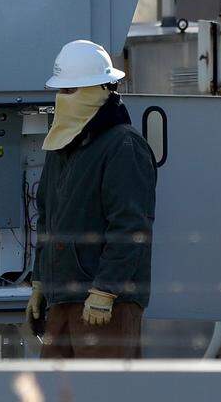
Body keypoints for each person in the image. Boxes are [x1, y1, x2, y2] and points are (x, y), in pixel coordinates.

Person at [25, 39, 157, 359]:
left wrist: (106, 290)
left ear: (98, 91)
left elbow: (130, 226)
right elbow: (47, 218)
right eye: (61, 91)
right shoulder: (63, 146)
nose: (62, 98)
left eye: (70, 91)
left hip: (107, 304)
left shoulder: (123, 146)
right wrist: (41, 281)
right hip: (64, 299)